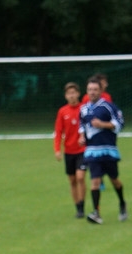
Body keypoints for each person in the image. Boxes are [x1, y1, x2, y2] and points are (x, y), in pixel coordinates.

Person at [78, 76, 127, 224]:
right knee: (95, 181)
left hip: (108, 150)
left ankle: (122, 203)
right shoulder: (84, 109)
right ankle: (96, 213)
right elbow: (82, 126)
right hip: (92, 151)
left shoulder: (108, 106)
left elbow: (120, 123)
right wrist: (81, 137)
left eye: (95, 89)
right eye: (90, 89)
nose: (92, 92)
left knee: (114, 181)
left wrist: (102, 124)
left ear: (100, 91)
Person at [53, 82, 86, 218]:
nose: (71, 96)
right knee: (72, 180)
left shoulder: (84, 109)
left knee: (80, 177)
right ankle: (78, 208)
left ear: (78, 94)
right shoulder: (62, 111)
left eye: (73, 93)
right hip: (69, 151)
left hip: (82, 150)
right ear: (66, 96)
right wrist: (57, 149)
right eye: (69, 93)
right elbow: (58, 131)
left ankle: (82, 206)